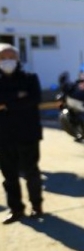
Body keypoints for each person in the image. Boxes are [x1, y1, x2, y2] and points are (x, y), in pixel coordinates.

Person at [0, 43, 43, 224]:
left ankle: (37, 206)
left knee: (31, 172)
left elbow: (35, 99)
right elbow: (25, 101)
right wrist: (18, 97)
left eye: (11, 57)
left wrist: (6, 104)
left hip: (28, 134)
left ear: (18, 59)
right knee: (9, 176)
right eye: (3, 58)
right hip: (3, 136)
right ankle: (16, 209)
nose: (7, 61)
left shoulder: (30, 78)